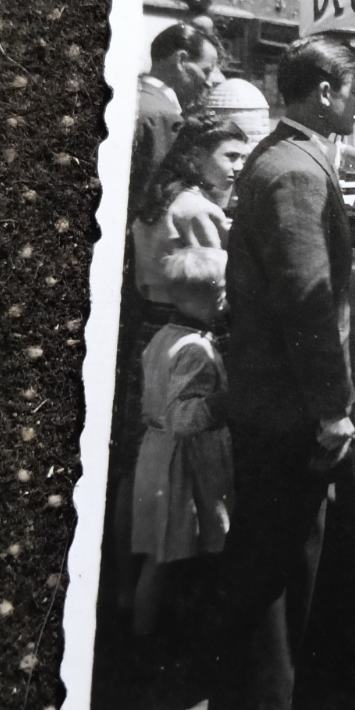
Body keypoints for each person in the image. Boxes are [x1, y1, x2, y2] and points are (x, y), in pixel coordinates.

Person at [207, 33, 355, 710]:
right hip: (287, 403)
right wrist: (332, 407)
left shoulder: (280, 155)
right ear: (325, 93)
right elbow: (308, 301)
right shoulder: (297, 171)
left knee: (271, 549)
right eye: (353, 89)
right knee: (273, 558)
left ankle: (257, 703)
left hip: (267, 393)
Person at [130, 245, 232, 639]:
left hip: (155, 452)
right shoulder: (195, 350)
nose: (226, 298)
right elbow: (184, 418)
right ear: (208, 297)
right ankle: (151, 639)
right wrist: (228, 401)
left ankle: (149, 631)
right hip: (183, 461)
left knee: (162, 551)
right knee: (169, 551)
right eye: (222, 290)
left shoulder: (162, 337)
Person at [131, 117, 250, 310]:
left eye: (243, 158)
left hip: (151, 310)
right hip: (188, 314)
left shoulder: (166, 194)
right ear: (196, 155)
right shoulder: (198, 209)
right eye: (231, 156)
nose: (239, 167)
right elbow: (214, 280)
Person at [132, 23, 224, 206]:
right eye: (206, 71)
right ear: (181, 60)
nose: (208, 83)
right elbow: (156, 196)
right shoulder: (163, 117)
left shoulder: (134, 97)